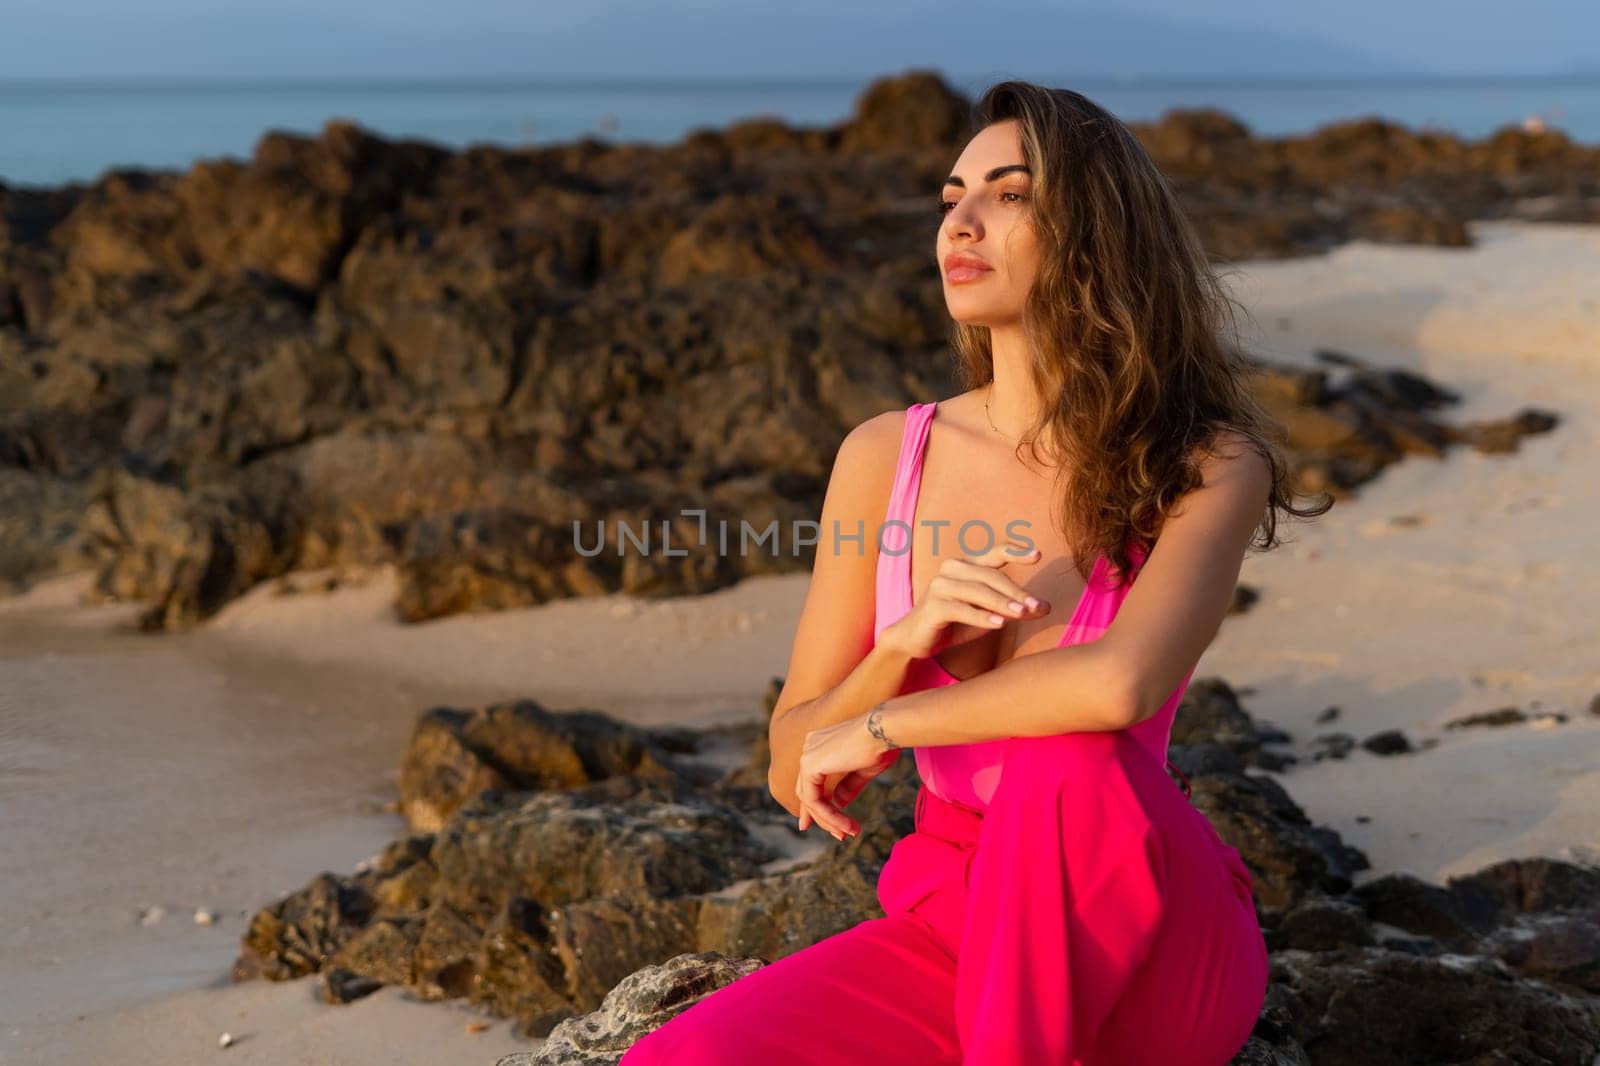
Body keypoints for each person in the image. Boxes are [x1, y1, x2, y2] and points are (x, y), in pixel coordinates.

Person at [621, 79, 1332, 1066]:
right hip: (958, 920)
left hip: (1144, 931)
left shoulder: (1205, 463)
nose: (959, 219)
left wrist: (883, 723)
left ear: (1094, 228)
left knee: (1065, 751)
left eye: (1007, 193)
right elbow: (793, 760)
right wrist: (902, 649)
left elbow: (1117, 684)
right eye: (951, 194)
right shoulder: (882, 457)